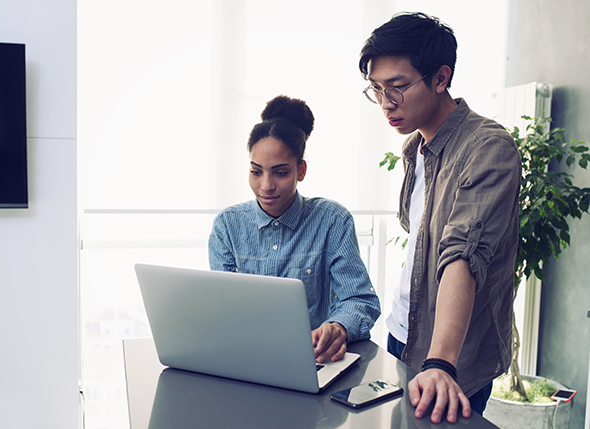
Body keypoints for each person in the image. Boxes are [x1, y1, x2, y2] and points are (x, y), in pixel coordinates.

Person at [359, 12, 521, 424]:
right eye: (376, 90)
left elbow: (461, 256)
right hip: (402, 335)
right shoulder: (415, 147)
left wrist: (441, 364)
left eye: (397, 88)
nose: (385, 104)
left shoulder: (489, 148)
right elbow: (420, 244)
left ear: (440, 78)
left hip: (453, 357)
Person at [208, 95, 381, 364]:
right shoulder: (227, 226)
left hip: (312, 360)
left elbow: (360, 299)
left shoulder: (332, 221)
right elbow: (223, 308)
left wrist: (339, 326)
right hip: (246, 359)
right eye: (256, 171)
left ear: (301, 170)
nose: (266, 185)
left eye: (280, 173)